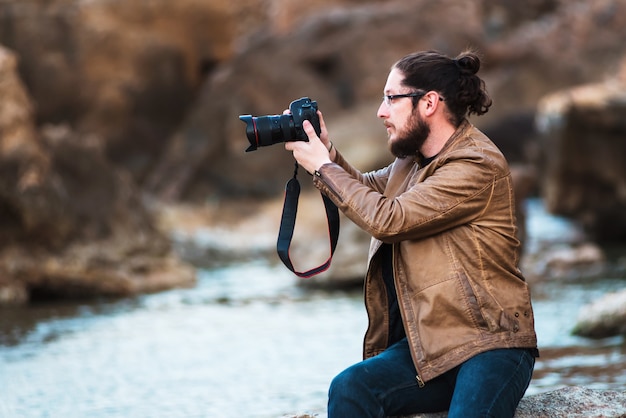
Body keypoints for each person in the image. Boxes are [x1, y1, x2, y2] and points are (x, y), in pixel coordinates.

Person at [285, 49, 539, 418]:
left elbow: (389, 218)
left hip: (491, 345)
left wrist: (323, 168)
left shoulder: (476, 163)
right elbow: (365, 192)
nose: (381, 111)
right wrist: (328, 154)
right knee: (351, 387)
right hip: (427, 348)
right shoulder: (411, 163)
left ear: (429, 103)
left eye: (391, 98)